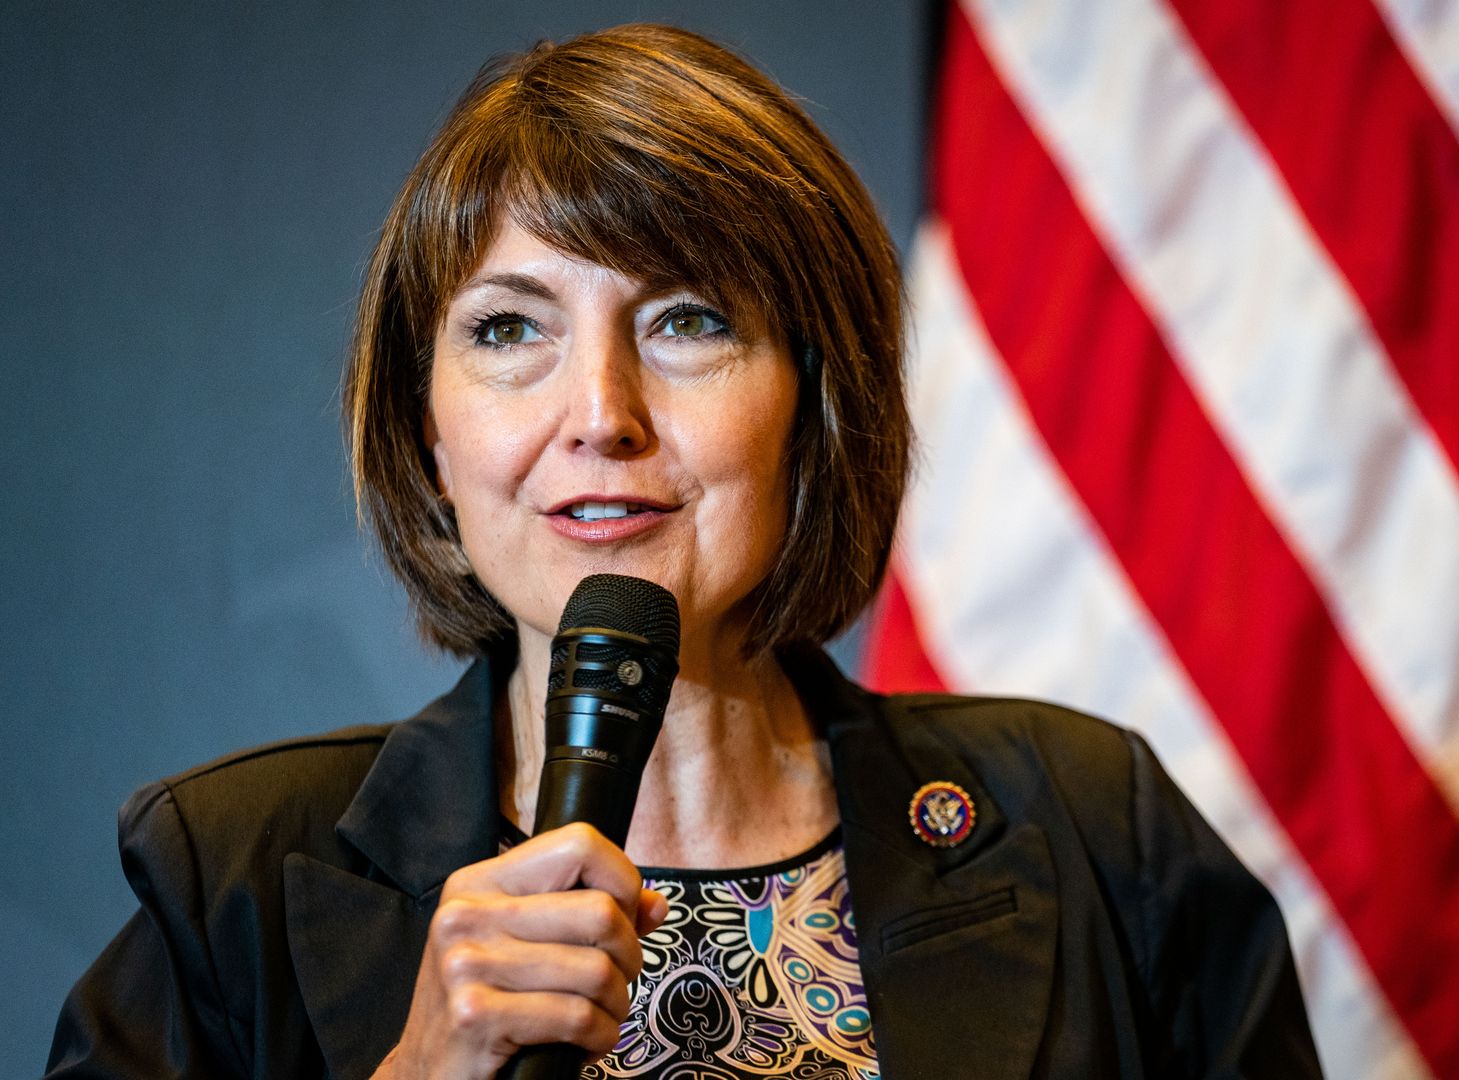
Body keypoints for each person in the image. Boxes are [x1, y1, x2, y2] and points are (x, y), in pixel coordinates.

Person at [45, 23, 1322, 1080]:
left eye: (687, 322)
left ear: (814, 411)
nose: (599, 412)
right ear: (427, 432)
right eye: (507, 331)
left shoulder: (1100, 836)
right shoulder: (232, 881)